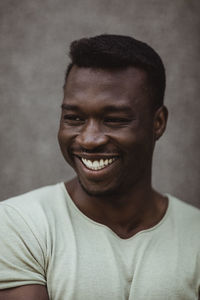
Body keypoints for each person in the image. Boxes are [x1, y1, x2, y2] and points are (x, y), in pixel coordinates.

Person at [0, 34, 199, 300]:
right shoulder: (21, 224)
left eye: (113, 120)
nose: (88, 139)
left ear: (158, 123)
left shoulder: (195, 234)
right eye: (74, 118)